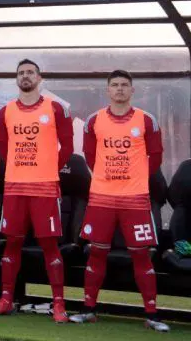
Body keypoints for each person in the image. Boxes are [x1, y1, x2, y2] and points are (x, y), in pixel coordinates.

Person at [69, 70, 170, 332]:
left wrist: (133, 178)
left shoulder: (147, 120)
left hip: (135, 199)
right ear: (108, 90)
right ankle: (89, 310)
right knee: (97, 252)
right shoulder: (94, 121)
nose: (120, 89)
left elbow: (155, 157)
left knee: (142, 256)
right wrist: (108, 177)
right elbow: (90, 156)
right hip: (102, 198)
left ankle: (152, 315)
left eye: (125, 85)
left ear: (132, 90)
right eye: (115, 85)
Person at [0, 60, 73, 322]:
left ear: (39, 78)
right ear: (16, 79)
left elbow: (66, 146)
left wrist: (47, 169)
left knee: (49, 244)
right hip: (15, 186)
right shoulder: (5, 111)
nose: (25, 76)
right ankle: (5, 299)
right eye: (21, 73)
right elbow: (4, 148)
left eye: (30, 72)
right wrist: (20, 169)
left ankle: (59, 304)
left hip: (44, 186)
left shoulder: (56, 108)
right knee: (12, 242)